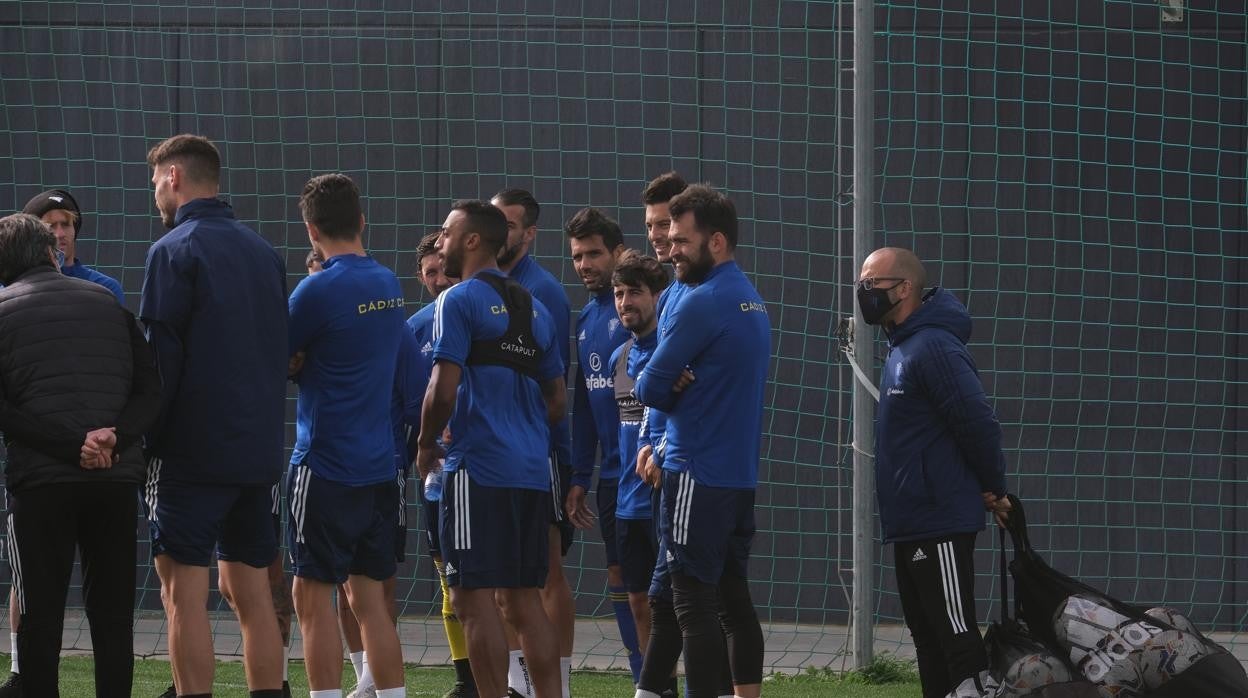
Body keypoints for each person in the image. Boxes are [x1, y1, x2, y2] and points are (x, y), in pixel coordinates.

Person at [140, 134, 288, 698]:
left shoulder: (173, 249)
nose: (154, 190)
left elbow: (160, 359)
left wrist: (143, 438)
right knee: (252, 594)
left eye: (155, 179)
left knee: (183, 597)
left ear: (174, 176)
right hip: (255, 454)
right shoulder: (263, 253)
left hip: (189, 454)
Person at [0, 213, 160, 698]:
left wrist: (71, 447)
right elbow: (151, 388)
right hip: (113, 480)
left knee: (40, 615)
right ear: (51, 253)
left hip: (41, 484)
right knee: (112, 616)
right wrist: (115, 438)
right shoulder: (109, 303)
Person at [414, 199, 565, 698]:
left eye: (446, 233)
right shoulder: (536, 308)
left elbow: (441, 390)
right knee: (525, 603)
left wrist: (425, 444)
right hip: (529, 472)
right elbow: (557, 400)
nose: (440, 241)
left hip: (478, 470)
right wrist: (517, 426)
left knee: (470, 599)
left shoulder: (457, 301)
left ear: (473, 240)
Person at [634, 184, 770, 698]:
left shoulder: (702, 302)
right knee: (729, 599)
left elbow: (646, 385)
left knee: (692, 606)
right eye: (667, 237)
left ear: (716, 242)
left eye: (682, 240)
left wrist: (667, 381)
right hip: (737, 479)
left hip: (695, 473)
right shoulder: (750, 299)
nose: (671, 248)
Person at [856, 247, 1011, 698]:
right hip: (910, 523)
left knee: (955, 631)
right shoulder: (901, 347)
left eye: (872, 285)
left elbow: (976, 421)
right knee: (927, 637)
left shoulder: (935, 346)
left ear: (904, 288)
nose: (863, 293)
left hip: (939, 520)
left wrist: (993, 487)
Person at [285, 174, 406, 698]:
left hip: (325, 464)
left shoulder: (314, 290)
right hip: (380, 465)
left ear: (311, 230)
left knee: (311, 599)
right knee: (371, 601)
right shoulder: (388, 282)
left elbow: (279, 358)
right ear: (361, 220)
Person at [489, 189, 575, 697]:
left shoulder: (542, 291)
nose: (501, 231)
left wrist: (561, 463)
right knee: (502, 582)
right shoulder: (485, 286)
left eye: (510, 224)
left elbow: (555, 391)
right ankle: (519, 684)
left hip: (536, 454)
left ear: (530, 233)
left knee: (545, 573)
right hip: (497, 456)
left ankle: (556, 684)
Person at [561, 208, 643, 681]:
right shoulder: (586, 319)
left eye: (594, 253)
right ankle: (644, 680)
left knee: (667, 585)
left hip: (651, 469)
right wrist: (578, 476)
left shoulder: (640, 307)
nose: (585, 264)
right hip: (612, 477)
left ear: (617, 252)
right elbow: (584, 406)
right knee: (619, 578)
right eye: (577, 255)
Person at [406, 231, 476, 698]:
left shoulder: (476, 315)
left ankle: (512, 677)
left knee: (480, 582)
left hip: (476, 470)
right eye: (430, 272)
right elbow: (409, 395)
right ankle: (464, 677)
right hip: (433, 474)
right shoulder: (413, 328)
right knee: (445, 580)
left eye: (444, 269)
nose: (438, 279)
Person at [606, 250, 669, 693]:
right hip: (628, 502)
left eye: (634, 292)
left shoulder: (673, 351)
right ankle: (656, 685)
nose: (625, 301)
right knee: (638, 601)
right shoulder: (618, 359)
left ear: (657, 296)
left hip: (667, 497)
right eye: (619, 292)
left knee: (682, 603)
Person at [21, 189, 124, 304]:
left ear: (75, 229)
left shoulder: (106, 288)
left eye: (65, 224)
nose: (60, 234)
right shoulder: (12, 293)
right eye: (50, 226)